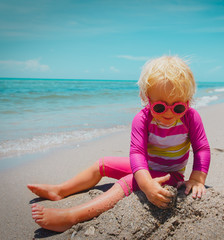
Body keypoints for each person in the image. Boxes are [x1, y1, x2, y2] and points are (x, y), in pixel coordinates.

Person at [27, 55, 211, 232]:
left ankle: (72, 217)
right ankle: (60, 190)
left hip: (171, 176)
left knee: (129, 180)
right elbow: (137, 154)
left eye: (178, 107)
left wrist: (196, 179)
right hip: (145, 167)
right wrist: (145, 181)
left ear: (188, 102)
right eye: (160, 107)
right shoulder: (142, 119)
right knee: (103, 163)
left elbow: (201, 148)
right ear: (147, 99)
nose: (169, 113)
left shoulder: (191, 118)